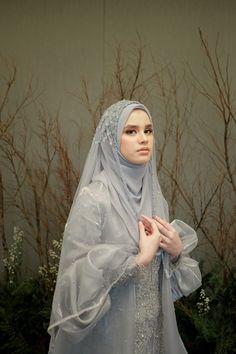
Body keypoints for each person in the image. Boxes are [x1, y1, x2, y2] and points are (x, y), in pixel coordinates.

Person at [48, 100, 201, 354]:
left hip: (153, 337)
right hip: (108, 338)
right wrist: (138, 261)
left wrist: (175, 253)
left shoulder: (154, 198)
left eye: (148, 130)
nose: (143, 139)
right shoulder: (95, 199)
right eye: (131, 131)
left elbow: (165, 287)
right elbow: (73, 285)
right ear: (111, 140)